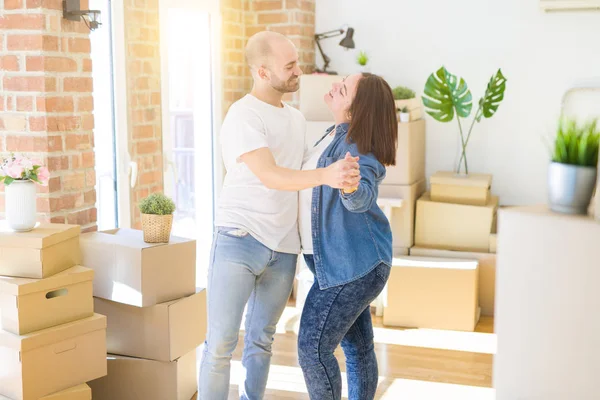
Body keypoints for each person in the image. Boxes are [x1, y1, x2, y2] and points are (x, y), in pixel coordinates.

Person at [198, 31, 361, 400]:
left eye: (296, 63)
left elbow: (302, 167)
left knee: (261, 341)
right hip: (239, 239)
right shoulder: (243, 115)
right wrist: (326, 176)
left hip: (283, 246)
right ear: (262, 72)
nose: (298, 71)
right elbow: (271, 174)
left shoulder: (296, 118)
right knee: (221, 344)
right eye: (288, 66)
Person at [297, 72, 398, 400]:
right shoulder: (335, 135)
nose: (332, 88)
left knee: (312, 349)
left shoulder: (359, 148)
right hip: (347, 263)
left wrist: (351, 187)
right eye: (338, 81)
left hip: (353, 265)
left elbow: (361, 195)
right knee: (358, 348)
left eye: (341, 89)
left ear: (355, 112)